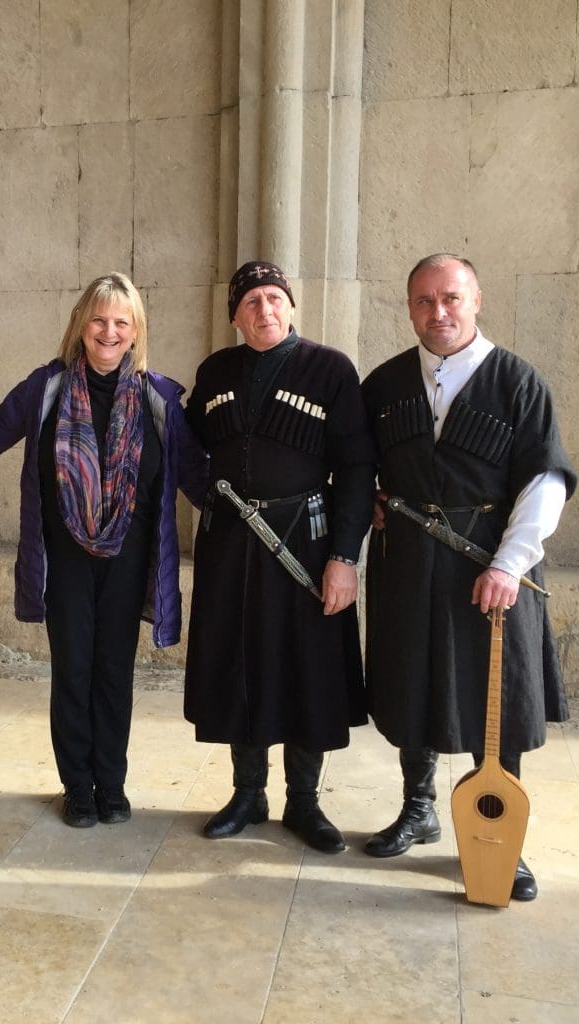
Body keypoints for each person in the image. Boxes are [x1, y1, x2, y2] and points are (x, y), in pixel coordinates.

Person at [0, 272, 207, 827]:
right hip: (66, 559)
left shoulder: (160, 397)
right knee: (73, 670)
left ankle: (112, 783)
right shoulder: (46, 389)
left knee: (114, 672)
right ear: (80, 323)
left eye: (121, 322)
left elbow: (197, 474)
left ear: (135, 331)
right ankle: (78, 785)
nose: (108, 331)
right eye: (99, 319)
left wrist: (252, 509)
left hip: (129, 560)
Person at [361, 253, 577, 900]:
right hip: (406, 564)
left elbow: (544, 481)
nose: (439, 313)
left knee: (495, 702)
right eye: (425, 301)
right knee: (411, 680)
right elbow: (353, 463)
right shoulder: (384, 384)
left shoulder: (518, 382)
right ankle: (419, 807)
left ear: (476, 299)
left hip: (490, 568)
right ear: (409, 308)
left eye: (451, 298)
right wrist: (368, 496)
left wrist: (511, 563)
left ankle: (499, 838)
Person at [183, 260, 375, 853]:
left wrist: (345, 556)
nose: (263, 310)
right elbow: (188, 450)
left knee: (306, 670)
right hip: (231, 550)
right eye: (250, 302)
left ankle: (304, 803)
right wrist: (209, 498)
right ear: (235, 316)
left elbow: (357, 467)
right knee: (239, 665)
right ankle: (247, 794)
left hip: (308, 547)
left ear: (290, 307)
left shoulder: (330, 369)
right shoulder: (216, 371)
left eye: (273, 298)